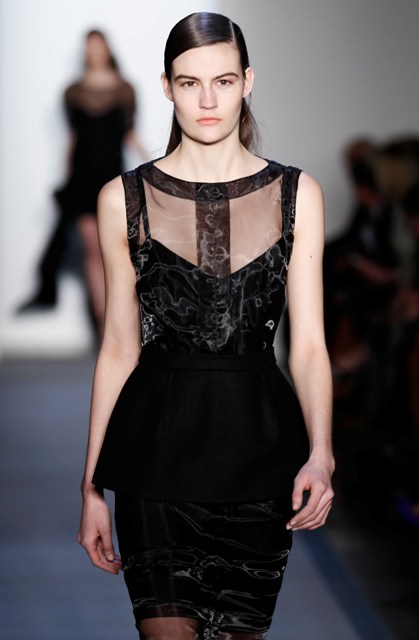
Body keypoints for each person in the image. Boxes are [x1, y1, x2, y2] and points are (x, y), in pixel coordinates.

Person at [78, 12, 334, 640]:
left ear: (248, 81)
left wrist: (322, 454)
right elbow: (118, 348)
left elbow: (307, 345)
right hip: (154, 457)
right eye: (190, 83)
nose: (208, 100)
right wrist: (91, 487)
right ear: (167, 87)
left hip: (258, 454)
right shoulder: (123, 199)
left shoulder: (297, 194)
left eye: (223, 81)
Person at [18, 29, 147, 339]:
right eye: (90, 47)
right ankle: (104, 325)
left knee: (117, 251)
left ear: (108, 49)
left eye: (99, 46)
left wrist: (155, 168)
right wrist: (67, 181)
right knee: (93, 248)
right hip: (83, 179)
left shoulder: (125, 90)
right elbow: (73, 139)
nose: (95, 52)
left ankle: (121, 321)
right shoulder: (73, 93)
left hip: (112, 179)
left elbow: (130, 134)